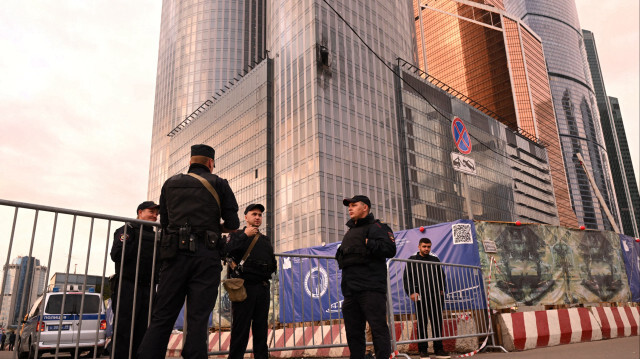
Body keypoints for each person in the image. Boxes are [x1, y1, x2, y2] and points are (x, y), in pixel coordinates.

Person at [138, 144, 240, 359]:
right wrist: (212, 227)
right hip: (206, 256)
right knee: (198, 317)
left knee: (162, 315)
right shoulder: (219, 183)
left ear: (191, 161)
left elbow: (165, 223)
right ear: (211, 163)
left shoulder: (170, 183)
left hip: (173, 256)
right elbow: (232, 223)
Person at [335, 195, 396, 359]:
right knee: (353, 332)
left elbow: (390, 249)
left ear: (365, 207)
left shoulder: (378, 227)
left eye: (354, 205)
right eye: (349, 206)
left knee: (378, 329)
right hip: (350, 290)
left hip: (371, 288)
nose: (350, 208)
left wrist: (370, 243)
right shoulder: (350, 231)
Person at [224, 204, 277, 359]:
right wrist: (244, 236)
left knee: (261, 330)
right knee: (241, 329)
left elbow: (272, 261)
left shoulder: (265, 240)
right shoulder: (236, 235)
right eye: (254, 214)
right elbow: (225, 250)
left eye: (260, 215)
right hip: (243, 288)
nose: (258, 217)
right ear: (246, 217)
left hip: (262, 287)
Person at [110, 201, 160, 359]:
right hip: (128, 286)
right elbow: (116, 255)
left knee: (144, 330)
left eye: (156, 213)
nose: (155, 215)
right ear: (140, 212)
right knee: (124, 329)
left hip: (148, 288)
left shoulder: (156, 235)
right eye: (151, 211)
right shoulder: (127, 230)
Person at [402, 238, 449, 359]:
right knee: (422, 323)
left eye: (428, 246)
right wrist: (412, 292)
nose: (426, 249)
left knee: (437, 323)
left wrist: (441, 290)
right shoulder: (412, 260)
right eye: (424, 246)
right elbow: (408, 278)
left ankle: (439, 349)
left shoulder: (435, 260)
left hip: (435, 296)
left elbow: (441, 276)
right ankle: (423, 351)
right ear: (419, 247)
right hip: (420, 296)